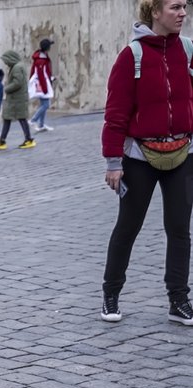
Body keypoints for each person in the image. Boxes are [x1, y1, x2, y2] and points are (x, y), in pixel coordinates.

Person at [101, 0, 193, 326]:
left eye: (185, 6)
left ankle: (178, 300)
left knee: (180, 229)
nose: (183, 12)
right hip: (139, 156)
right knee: (128, 227)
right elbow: (115, 113)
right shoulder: (132, 56)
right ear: (155, 12)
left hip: (182, 153)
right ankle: (111, 294)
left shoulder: (188, 50)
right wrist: (114, 162)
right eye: (175, 7)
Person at [0, 50, 36, 149]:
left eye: (6, 61)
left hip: (17, 99)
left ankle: (28, 139)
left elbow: (17, 83)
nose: (5, 63)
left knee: (21, 118)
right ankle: (2, 140)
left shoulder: (17, 68)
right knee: (8, 118)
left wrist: (6, 89)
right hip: (16, 98)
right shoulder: (18, 66)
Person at [29, 38, 56, 133]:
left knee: (44, 104)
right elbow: (40, 75)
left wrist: (51, 78)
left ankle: (41, 124)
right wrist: (45, 88)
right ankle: (33, 120)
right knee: (46, 104)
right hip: (42, 85)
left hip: (43, 83)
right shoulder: (41, 60)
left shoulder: (42, 58)